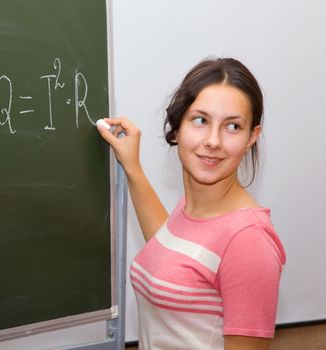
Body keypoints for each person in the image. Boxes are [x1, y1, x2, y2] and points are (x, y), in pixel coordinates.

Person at [97, 57, 286, 350]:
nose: (213, 140)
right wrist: (132, 166)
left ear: (252, 137)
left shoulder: (248, 240)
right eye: (200, 120)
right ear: (177, 125)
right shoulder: (192, 208)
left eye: (233, 126)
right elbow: (170, 252)